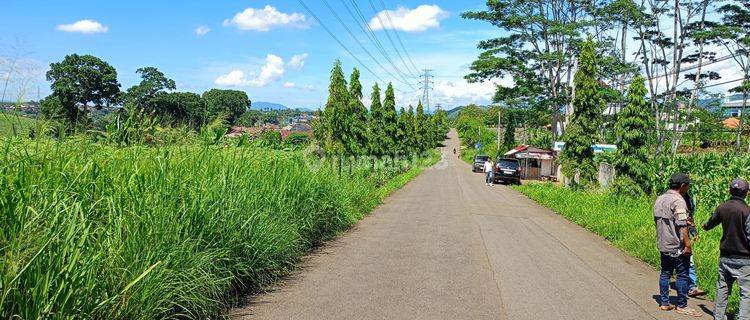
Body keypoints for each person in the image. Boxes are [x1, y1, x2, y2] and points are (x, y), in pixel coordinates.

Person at [653, 173, 702, 317]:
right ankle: (682, 305)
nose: (688, 188)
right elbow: (681, 226)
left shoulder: (660, 199)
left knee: (665, 273)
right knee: (682, 274)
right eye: (687, 186)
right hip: (676, 245)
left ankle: (664, 302)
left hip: (663, 243)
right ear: (682, 186)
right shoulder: (679, 201)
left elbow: (662, 220)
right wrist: (688, 244)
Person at [702, 178, 750, 320]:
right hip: (744, 259)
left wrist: (704, 226)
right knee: (746, 293)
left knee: (722, 289)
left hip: (725, 257)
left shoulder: (722, 207)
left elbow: (709, 224)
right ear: (746, 193)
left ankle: (718, 316)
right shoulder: (747, 211)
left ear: (729, 191)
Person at [684, 192, 707, 297]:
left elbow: (690, 219)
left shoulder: (688, 200)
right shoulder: (675, 202)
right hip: (673, 238)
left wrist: (694, 233)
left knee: (690, 262)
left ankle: (692, 287)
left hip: (685, 238)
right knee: (672, 265)